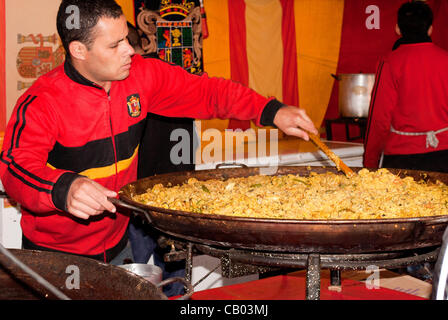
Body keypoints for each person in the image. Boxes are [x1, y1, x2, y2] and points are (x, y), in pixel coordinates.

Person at [0, 0, 317, 267]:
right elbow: (15, 167)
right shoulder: (42, 102)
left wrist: (271, 111)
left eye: (126, 38)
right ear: (79, 50)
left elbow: (207, 92)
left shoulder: (142, 75)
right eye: (115, 45)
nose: (129, 50)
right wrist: (64, 188)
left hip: (119, 245)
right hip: (55, 257)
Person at [363, 1, 448, 173]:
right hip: (444, 155)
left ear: (397, 29)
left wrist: (369, 163)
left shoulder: (389, 62)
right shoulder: (446, 60)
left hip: (401, 158)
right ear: (431, 29)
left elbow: (379, 118)